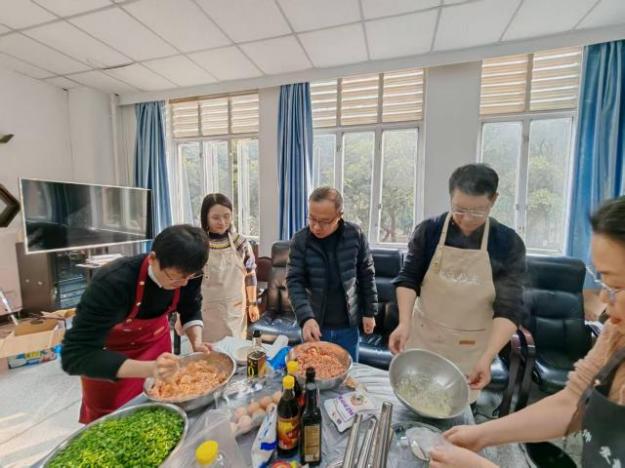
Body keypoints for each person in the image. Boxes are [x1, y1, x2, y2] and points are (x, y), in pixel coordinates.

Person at [429, 196, 625, 468]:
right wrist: (482, 435)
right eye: (602, 282)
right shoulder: (616, 333)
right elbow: (572, 402)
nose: (604, 298)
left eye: (616, 286)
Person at [389, 164, 526, 401]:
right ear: (451, 196)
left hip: (469, 350)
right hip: (424, 338)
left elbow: (510, 308)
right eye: (459, 209)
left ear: (494, 200)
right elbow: (409, 279)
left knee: (453, 405)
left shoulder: (507, 243)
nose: (467, 219)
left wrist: (488, 357)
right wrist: (403, 323)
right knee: (412, 397)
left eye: (478, 211)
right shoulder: (429, 230)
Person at [61, 225, 212, 423]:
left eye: (189, 277)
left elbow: (190, 307)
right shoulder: (112, 282)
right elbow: (75, 355)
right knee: (117, 424)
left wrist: (197, 343)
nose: (184, 283)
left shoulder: (188, 273)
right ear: (152, 259)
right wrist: (150, 369)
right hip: (111, 360)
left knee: (159, 415)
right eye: (174, 278)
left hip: (156, 347)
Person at [286, 187, 377, 361]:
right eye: (312, 218)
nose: (316, 227)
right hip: (315, 325)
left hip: (348, 326)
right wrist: (306, 318)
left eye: (325, 221)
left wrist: (369, 312)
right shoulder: (300, 240)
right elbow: (294, 281)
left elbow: (366, 274)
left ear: (339, 215)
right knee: (314, 371)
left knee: (349, 372)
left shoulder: (355, 235)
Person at [198, 193, 259, 342]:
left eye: (227, 216)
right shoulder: (198, 244)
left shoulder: (241, 243)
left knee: (235, 348)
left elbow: (250, 274)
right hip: (207, 312)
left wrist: (252, 304)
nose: (222, 222)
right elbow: (189, 281)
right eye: (216, 217)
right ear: (206, 217)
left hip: (234, 310)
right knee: (208, 352)